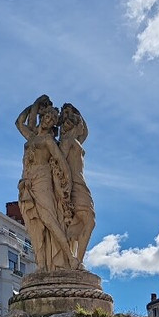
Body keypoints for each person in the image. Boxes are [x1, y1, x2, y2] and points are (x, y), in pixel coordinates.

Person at [16, 95, 77, 272]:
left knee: (49, 220)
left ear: (53, 125)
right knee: (35, 225)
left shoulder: (48, 141)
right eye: (47, 117)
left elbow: (62, 162)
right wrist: (35, 104)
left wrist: (67, 185)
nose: (48, 120)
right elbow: (19, 122)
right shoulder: (31, 137)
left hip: (42, 179)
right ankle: (41, 264)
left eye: (51, 120)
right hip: (27, 182)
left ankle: (70, 257)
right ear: (42, 116)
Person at [58, 102, 95, 262]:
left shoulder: (75, 139)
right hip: (73, 185)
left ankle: (76, 259)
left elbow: (85, 131)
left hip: (81, 184)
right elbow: (60, 163)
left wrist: (74, 110)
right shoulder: (66, 141)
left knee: (87, 221)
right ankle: (77, 261)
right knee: (89, 221)